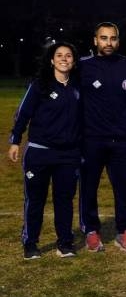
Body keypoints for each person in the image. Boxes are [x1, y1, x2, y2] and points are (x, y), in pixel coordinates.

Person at [9, 42, 81, 259]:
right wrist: (15, 140)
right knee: (35, 199)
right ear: (51, 60)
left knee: (64, 200)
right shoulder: (40, 85)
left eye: (68, 56)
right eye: (59, 55)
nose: (64, 59)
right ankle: (30, 243)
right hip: (39, 152)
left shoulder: (78, 87)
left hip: (68, 155)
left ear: (74, 61)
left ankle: (65, 243)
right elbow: (23, 114)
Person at [78, 22, 126, 252]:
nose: (108, 43)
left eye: (113, 38)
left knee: (125, 187)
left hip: (121, 139)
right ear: (95, 40)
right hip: (91, 138)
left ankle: (125, 231)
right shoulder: (83, 66)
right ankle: (91, 231)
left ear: (118, 41)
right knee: (89, 186)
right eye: (104, 38)